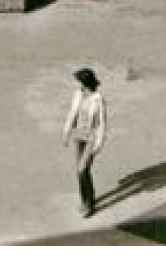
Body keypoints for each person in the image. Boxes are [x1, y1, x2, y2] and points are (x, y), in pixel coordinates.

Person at [62, 68, 106, 218]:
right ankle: (87, 198)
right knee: (81, 171)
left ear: (86, 82)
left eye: (79, 82)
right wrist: (66, 133)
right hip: (78, 136)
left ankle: (89, 205)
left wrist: (98, 144)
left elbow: (102, 124)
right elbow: (72, 113)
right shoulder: (78, 94)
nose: (77, 85)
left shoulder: (98, 99)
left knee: (82, 169)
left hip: (91, 138)